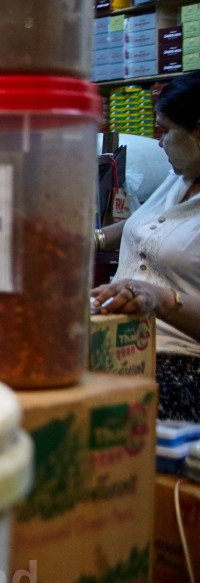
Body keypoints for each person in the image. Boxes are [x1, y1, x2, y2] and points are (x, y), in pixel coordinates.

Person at [92, 72, 200, 422]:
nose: (159, 142)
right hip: (116, 343)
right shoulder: (179, 175)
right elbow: (147, 223)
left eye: (166, 131)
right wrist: (90, 240)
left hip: (178, 362)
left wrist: (163, 299)